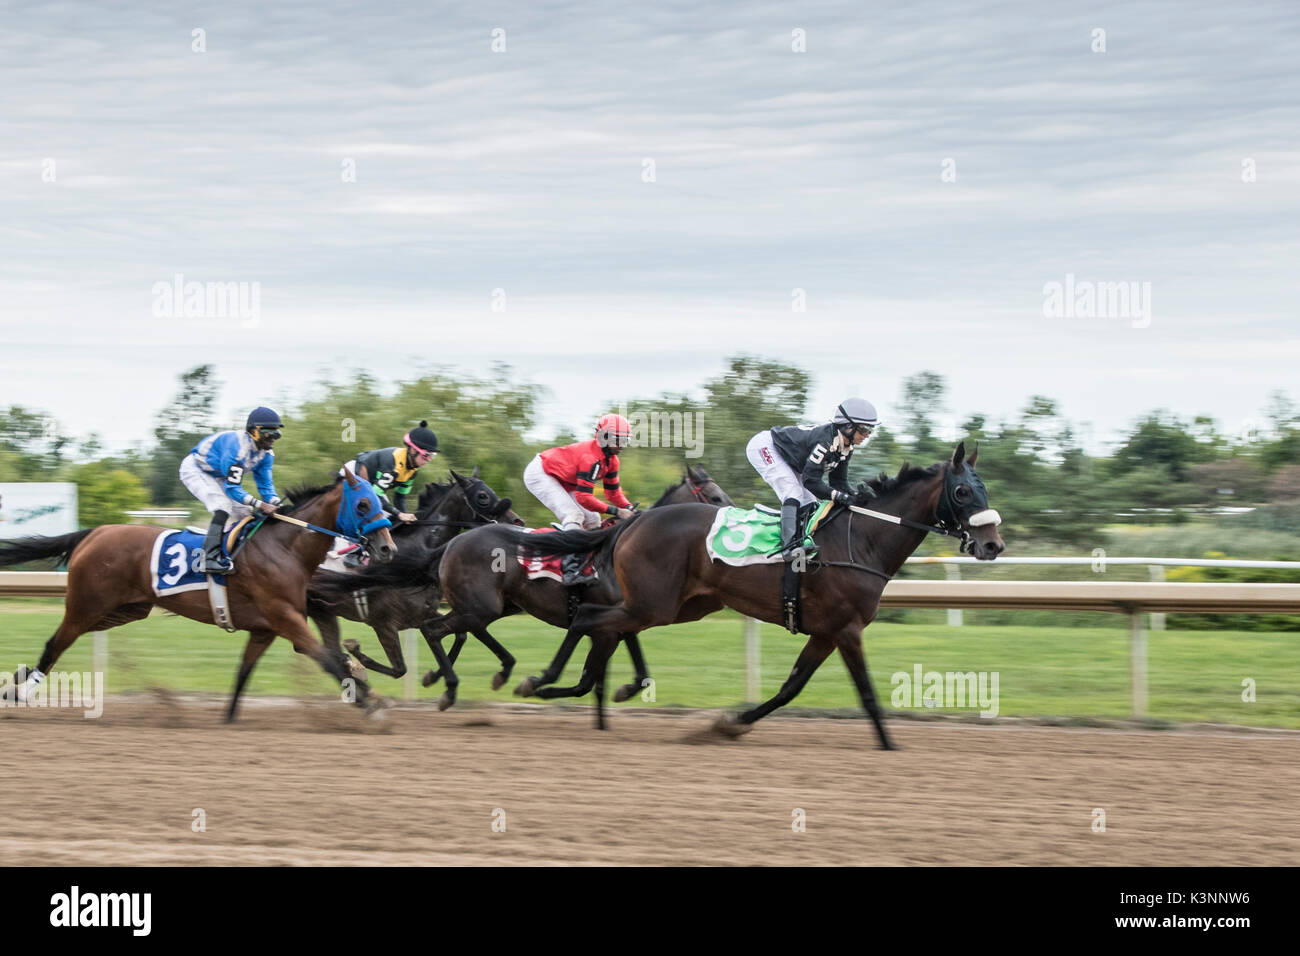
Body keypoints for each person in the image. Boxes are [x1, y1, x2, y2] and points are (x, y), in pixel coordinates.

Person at [745, 398, 879, 563]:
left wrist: (856, 497)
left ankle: (804, 545)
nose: (867, 435)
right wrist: (840, 496)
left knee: (810, 503)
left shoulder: (845, 447)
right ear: (848, 426)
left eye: (870, 430)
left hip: (791, 459)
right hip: (766, 446)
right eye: (864, 429)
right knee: (793, 492)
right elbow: (811, 481)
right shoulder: (825, 443)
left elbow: (838, 483)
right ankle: (788, 549)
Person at [523, 413, 636, 585]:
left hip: (564, 479)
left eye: (625, 441)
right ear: (603, 437)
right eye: (618, 440)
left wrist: (629, 508)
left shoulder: (612, 460)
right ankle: (571, 567)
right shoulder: (590, 458)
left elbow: (613, 493)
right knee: (573, 515)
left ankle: (592, 564)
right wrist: (617, 511)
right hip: (540, 473)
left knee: (593, 518)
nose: (622, 446)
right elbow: (584, 498)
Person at [180, 406, 284, 573]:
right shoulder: (237, 449)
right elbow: (232, 489)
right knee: (222, 506)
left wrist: (275, 503)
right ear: (253, 432)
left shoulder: (266, 455)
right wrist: (261, 504)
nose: (273, 439)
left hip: (220, 476)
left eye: (277, 434)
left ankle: (241, 556)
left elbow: (265, 486)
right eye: (268, 433)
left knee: (247, 514)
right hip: (197, 469)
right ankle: (208, 558)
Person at [330, 420, 438, 565]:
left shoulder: (412, 471)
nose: (428, 460)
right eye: (426, 455)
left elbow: (400, 497)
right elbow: (377, 495)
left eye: (432, 456)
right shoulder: (393, 464)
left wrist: (403, 517)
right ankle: (350, 552)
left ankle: (367, 549)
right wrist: (399, 514)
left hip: (372, 488)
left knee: (388, 518)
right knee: (371, 515)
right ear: (412, 450)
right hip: (352, 475)